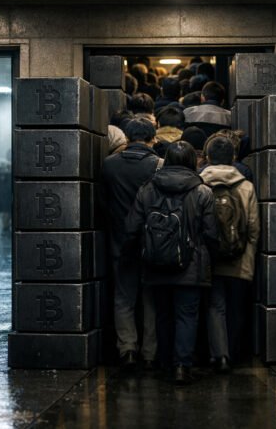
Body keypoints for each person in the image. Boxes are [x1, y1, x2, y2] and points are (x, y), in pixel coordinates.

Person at [125, 141, 217, 385]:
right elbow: (210, 233)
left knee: (163, 314)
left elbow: (132, 227)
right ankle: (182, 366)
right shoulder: (203, 192)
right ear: (192, 161)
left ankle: (165, 363)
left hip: (155, 263)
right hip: (191, 264)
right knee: (187, 315)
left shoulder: (147, 188)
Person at [101, 117, 162, 371]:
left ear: (126, 138)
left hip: (120, 239)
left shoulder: (109, 165)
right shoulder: (159, 165)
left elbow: (103, 201)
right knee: (150, 299)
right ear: (152, 139)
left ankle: (127, 349)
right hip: (152, 242)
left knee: (123, 297)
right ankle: (149, 353)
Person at [199, 136, 259, 373]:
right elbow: (253, 228)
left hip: (209, 258)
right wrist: (248, 258)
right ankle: (233, 353)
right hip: (239, 257)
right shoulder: (246, 186)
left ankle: (220, 355)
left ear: (207, 157)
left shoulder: (199, 183)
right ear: (233, 158)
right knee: (236, 307)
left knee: (215, 306)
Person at [0, 154, 12, 236]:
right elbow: (0, 178)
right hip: (5, 193)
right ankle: (5, 228)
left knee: (9, 211)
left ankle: (6, 227)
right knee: (6, 211)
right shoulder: (2, 167)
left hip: (8, 192)